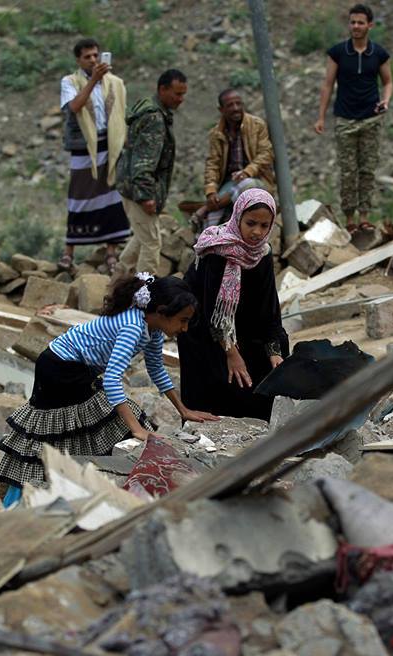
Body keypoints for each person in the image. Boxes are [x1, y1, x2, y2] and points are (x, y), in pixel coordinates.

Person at [0, 273, 219, 500]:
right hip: (59, 368)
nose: (185, 328)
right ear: (161, 312)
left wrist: (183, 410)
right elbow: (112, 380)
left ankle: (83, 484)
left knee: (98, 421)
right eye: (182, 320)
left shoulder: (153, 329)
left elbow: (157, 370)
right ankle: (34, 493)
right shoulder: (132, 326)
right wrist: (137, 430)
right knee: (57, 432)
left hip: (80, 368)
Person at [178, 189, 289, 420]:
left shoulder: (263, 254)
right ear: (237, 217)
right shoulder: (218, 251)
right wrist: (231, 353)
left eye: (264, 225)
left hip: (243, 321)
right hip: (206, 326)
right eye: (250, 223)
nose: (257, 232)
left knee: (275, 353)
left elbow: (269, 305)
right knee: (220, 371)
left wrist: (274, 350)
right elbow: (213, 312)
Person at [314, 3, 393, 232]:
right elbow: (328, 85)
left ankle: (365, 216)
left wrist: (385, 100)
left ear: (370, 25)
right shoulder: (338, 52)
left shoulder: (378, 53)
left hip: (371, 118)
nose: (356, 26)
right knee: (348, 171)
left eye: (360, 22)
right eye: (352, 22)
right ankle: (349, 219)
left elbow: (388, 81)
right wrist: (321, 117)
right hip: (345, 119)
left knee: (367, 169)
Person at [59, 38, 132, 273]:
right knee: (79, 196)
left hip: (110, 145)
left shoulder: (115, 83)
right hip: (84, 147)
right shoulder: (70, 82)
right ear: (78, 60)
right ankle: (69, 252)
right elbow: (74, 107)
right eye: (87, 57)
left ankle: (111, 252)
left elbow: (120, 114)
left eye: (95, 56)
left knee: (111, 196)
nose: (93, 60)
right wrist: (93, 81)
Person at [117, 69, 188, 276]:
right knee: (152, 243)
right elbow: (144, 161)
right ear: (162, 89)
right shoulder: (155, 119)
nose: (181, 99)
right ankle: (142, 298)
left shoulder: (151, 111)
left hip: (131, 187)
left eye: (183, 94)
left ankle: (115, 288)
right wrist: (147, 196)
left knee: (142, 238)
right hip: (139, 191)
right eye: (177, 94)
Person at [190, 89, 275, 231]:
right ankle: (209, 243)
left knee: (247, 185)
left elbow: (266, 154)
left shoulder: (256, 125)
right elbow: (213, 164)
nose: (235, 108)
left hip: (256, 179)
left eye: (238, 104)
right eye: (230, 105)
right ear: (221, 109)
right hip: (231, 183)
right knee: (213, 217)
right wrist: (211, 191)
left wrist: (247, 172)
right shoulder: (217, 133)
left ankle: (205, 208)